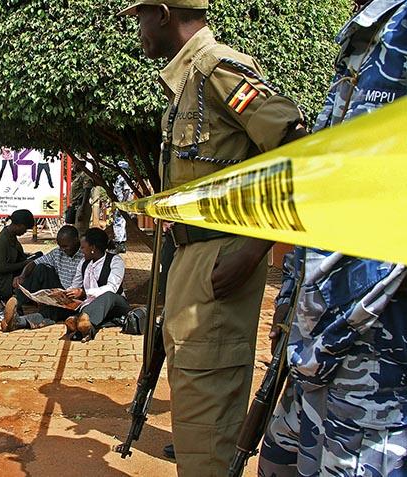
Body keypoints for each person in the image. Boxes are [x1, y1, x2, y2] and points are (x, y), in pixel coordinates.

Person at [119, 1, 307, 474]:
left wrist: (256, 246)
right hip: (190, 258)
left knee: (208, 433)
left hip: (220, 259)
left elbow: (299, 147)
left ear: (163, 13)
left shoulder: (219, 71)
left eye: (140, 16)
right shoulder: (187, 83)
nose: (137, 28)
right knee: (194, 419)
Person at [259, 1, 407, 475]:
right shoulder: (375, 27)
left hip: (370, 341)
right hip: (323, 337)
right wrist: (294, 302)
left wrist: (340, 324)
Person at [1, 225, 85, 332]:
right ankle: (17, 303)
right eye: (60, 246)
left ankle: (17, 322)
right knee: (41, 268)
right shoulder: (57, 252)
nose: (63, 249)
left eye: (66, 246)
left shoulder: (85, 255)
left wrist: (81, 293)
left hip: (76, 298)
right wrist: (22, 276)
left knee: (50, 313)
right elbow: (34, 263)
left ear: (76, 240)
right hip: (60, 293)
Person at [63, 228, 129, 342]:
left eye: (83, 247)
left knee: (108, 295)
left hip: (115, 304)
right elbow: (75, 284)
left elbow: (112, 288)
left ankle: (82, 322)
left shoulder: (115, 261)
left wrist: (84, 292)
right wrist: (66, 293)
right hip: (92, 305)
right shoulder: (84, 263)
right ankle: (85, 328)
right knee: (79, 305)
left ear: (93, 248)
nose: (81, 250)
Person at [0, 209, 38, 303]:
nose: (25, 232)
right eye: (25, 229)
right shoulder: (3, 240)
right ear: (19, 225)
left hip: (12, 276)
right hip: (4, 283)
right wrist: (24, 263)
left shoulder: (11, 237)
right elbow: (1, 267)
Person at [112, 161, 133, 253]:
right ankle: (120, 244)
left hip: (122, 204)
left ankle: (120, 243)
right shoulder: (119, 177)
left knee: (119, 223)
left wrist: (122, 205)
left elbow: (127, 191)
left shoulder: (124, 177)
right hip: (119, 204)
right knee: (119, 223)